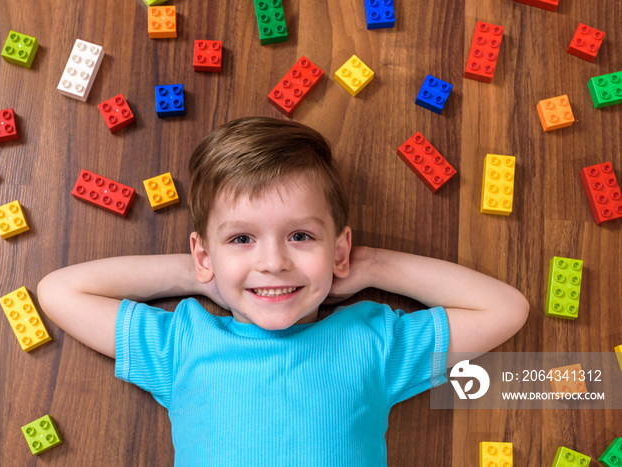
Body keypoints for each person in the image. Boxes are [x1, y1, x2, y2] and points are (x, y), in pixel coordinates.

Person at [37, 117, 529, 466]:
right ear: (204, 254)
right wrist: (200, 273)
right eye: (241, 239)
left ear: (339, 251)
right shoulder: (182, 343)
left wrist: (371, 265)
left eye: (300, 236)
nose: (272, 262)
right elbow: (60, 291)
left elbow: (505, 308)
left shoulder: (373, 342)